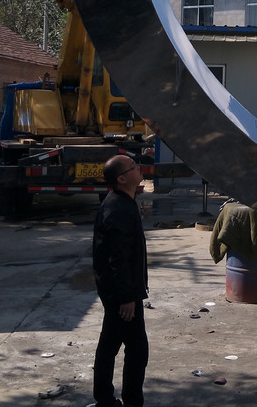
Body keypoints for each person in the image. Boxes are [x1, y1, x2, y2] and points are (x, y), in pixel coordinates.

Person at [91, 155, 149, 407]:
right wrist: (127, 298)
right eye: (133, 167)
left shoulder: (122, 202)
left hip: (118, 290)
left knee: (110, 344)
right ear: (122, 178)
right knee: (137, 350)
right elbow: (118, 258)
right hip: (121, 295)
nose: (139, 169)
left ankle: (105, 398)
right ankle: (129, 401)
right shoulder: (118, 209)